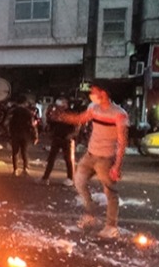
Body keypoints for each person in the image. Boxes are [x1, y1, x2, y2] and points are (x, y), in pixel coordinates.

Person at [55, 81, 129, 239]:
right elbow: (80, 119)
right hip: (90, 155)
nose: (91, 94)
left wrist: (117, 165)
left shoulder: (119, 114)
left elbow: (123, 141)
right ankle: (91, 215)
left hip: (106, 158)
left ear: (104, 93)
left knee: (110, 192)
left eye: (94, 91)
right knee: (79, 182)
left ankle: (111, 226)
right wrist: (62, 116)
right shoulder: (93, 108)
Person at [40, 97, 78, 186]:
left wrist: (71, 135)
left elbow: (76, 126)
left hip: (67, 139)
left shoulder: (71, 113)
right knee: (51, 158)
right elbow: (51, 122)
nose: (59, 107)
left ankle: (70, 178)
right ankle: (45, 177)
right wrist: (48, 113)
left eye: (61, 105)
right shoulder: (56, 113)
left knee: (68, 159)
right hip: (57, 138)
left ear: (66, 105)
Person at [6, 95, 37, 177]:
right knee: (24, 152)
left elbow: (7, 123)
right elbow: (32, 125)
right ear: (25, 103)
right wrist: (35, 136)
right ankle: (25, 169)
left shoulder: (12, 111)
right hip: (25, 135)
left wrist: (8, 133)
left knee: (15, 152)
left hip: (15, 134)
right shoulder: (28, 112)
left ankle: (15, 170)